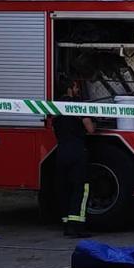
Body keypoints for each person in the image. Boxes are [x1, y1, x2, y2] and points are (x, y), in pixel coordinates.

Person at [53, 78, 95, 238]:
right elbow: (90, 129)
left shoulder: (55, 107)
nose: (78, 90)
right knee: (81, 189)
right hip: (77, 152)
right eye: (77, 87)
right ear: (70, 88)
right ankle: (77, 226)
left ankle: (66, 224)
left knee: (65, 188)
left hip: (61, 151)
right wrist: (95, 123)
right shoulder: (79, 105)